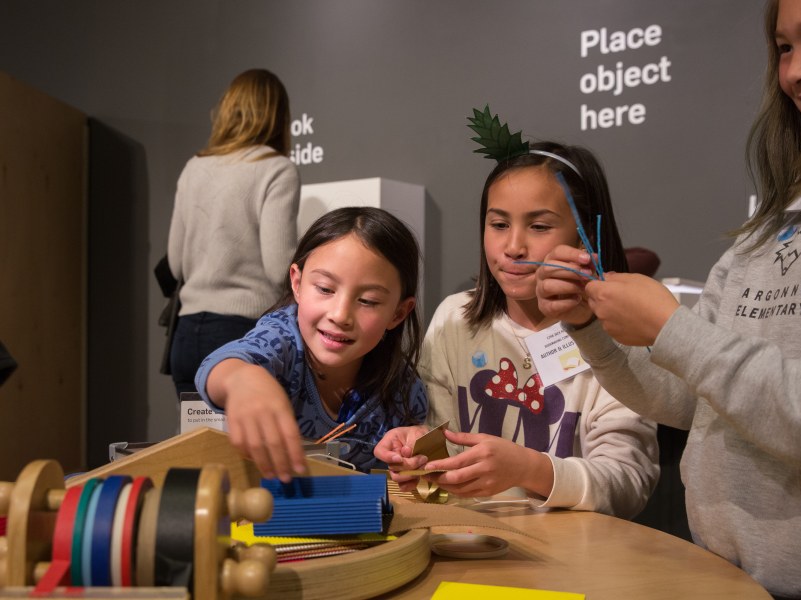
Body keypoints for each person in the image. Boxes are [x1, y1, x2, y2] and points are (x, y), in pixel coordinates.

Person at [536, 0, 801, 596]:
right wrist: (587, 325)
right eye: (784, 48)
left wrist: (672, 329)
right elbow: (683, 397)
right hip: (727, 577)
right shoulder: (774, 222)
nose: (796, 72)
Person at [374, 133, 659, 516]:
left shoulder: (620, 336)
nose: (513, 246)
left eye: (539, 227)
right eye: (498, 224)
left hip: (576, 558)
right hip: (469, 545)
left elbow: (628, 483)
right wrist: (417, 454)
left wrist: (530, 469)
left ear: (585, 234)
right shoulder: (453, 320)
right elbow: (438, 473)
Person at [195, 207, 427, 480]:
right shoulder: (280, 339)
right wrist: (243, 381)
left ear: (398, 313)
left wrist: (415, 449)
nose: (340, 315)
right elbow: (221, 366)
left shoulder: (404, 390)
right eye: (325, 289)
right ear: (297, 282)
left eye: (368, 301)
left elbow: (411, 475)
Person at [167, 68, 301, 397]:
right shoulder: (276, 168)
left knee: (195, 446)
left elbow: (176, 265)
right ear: (278, 116)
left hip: (186, 333)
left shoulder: (195, 166)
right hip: (242, 334)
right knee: (241, 448)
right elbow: (278, 268)